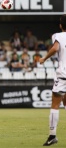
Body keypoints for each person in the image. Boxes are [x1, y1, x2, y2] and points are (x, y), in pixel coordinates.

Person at [39, 14, 66, 146]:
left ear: (61, 25)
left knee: (55, 105)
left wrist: (44, 59)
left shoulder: (58, 36)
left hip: (63, 75)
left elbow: (55, 48)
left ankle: (52, 136)